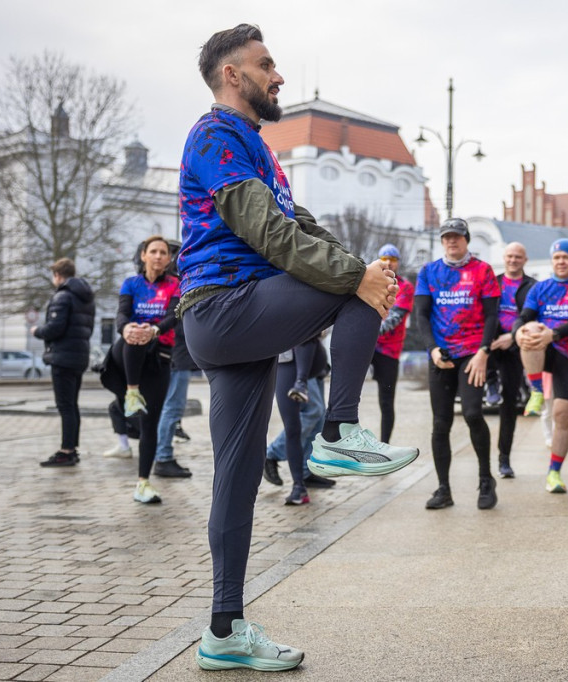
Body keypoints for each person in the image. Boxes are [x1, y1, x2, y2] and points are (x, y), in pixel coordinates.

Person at [179, 24, 417, 671]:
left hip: (234, 320)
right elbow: (269, 235)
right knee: (353, 291)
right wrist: (359, 279)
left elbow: (299, 225)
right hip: (224, 306)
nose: (277, 75)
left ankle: (224, 631)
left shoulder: (254, 144)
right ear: (233, 74)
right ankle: (337, 431)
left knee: (235, 479)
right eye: (266, 65)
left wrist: (359, 267)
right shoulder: (215, 136)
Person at [414, 218, 500, 510]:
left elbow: (492, 315)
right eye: (447, 237)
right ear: (442, 241)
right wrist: (432, 349)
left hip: (473, 354)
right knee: (440, 423)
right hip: (441, 355)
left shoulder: (483, 270)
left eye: (457, 236)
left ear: (467, 239)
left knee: (473, 414)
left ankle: (486, 480)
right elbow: (421, 315)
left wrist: (484, 351)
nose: (452, 241)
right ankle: (443, 489)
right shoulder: (428, 272)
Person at [514, 238, 568, 494]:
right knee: (529, 329)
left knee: (562, 416)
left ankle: (554, 472)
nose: (561, 261)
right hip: (543, 349)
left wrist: (553, 334)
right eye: (557, 257)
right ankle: (537, 390)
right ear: (552, 261)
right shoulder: (540, 288)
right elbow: (524, 317)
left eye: (566, 257)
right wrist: (518, 332)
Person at [103, 235, 180, 504]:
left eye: (163, 253)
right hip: (126, 350)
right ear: (144, 255)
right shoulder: (131, 283)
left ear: (168, 259)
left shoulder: (175, 285)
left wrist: (155, 330)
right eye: (154, 251)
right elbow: (122, 313)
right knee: (134, 333)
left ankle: (143, 484)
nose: (159, 256)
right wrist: (126, 328)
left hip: (158, 354)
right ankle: (131, 392)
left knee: (150, 424)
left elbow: (173, 315)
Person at [32, 258, 95, 468]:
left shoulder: (63, 296)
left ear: (57, 275)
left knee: (65, 406)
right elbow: (88, 328)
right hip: (79, 355)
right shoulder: (86, 297)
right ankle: (71, 449)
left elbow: (55, 328)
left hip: (63, 357)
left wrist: (37, 331)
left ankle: (66, 451)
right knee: (72, 405)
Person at [489, 241, 536, 478]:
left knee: (509, 404)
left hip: (516, 348)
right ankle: (490, 385)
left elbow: (535, 317)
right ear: (504, 258)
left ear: (525, 260)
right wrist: (490, 339)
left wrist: (512, 337)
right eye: (509, 256)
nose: (513, 260)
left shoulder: (533, 286)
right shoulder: (493, 282)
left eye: (518, 257)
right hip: (489, 345)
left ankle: (504, 459)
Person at [272, 336, 327, 505]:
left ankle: (301, 383)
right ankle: (299, 487)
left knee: (316, 413)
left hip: (308, 353)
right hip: (283, 358)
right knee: (292, 427)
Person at [371, 243, 415, 442]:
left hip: (389, 351)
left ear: (398, 263)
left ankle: (384, 444)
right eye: (384, 258)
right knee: (349, 396)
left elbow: (394, 318)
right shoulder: (369, 283)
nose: (388, 262)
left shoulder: (405, 287)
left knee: (386, 402)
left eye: (393, 259)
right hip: (367, 347)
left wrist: (366, 332)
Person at [153, 318, 195, 478]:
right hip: (178, 360)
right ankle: (163, 457)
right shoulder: (176, 306)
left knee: (169, 409)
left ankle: (162, 456)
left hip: (175, 359)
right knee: (172, 409)